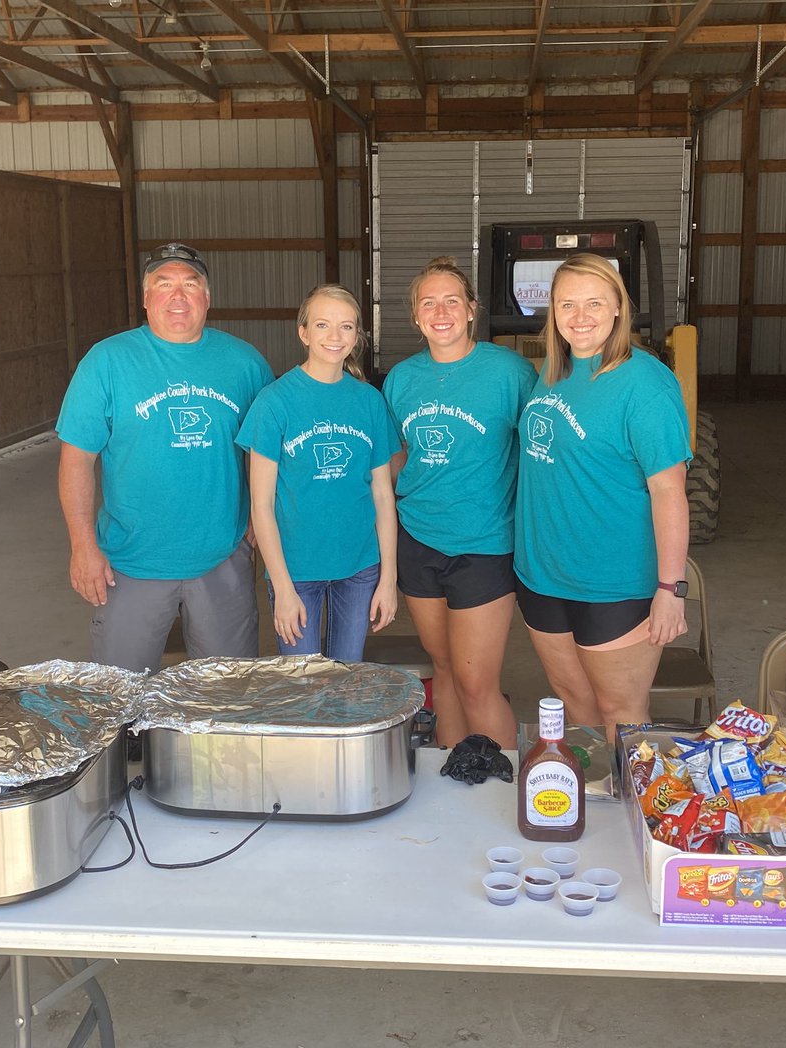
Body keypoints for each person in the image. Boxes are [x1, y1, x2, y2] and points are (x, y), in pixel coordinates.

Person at [57, 242, 274, 674]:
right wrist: (82, 546)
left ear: (207, 297)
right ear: (145, 297)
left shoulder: (244, 363)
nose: (178, 296)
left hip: (221, 557)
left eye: (190, 285)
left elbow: (266, 451)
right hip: (131, 561)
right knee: (120, 692)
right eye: (163, 284)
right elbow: (76, 460)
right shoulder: (107, 362)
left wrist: (258, 514)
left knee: (225, 694)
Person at [513, 252, 692, 740]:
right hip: (543, 575)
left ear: (618, 307)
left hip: (614, 583)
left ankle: (631, 793)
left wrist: (671, 590)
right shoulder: (554, 370)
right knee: (574, 701)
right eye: (567, 304)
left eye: (594, 302)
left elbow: (669, 491)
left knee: (622, 714)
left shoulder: (645, 384)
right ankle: (596, 789)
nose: (580, 316)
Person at [382, 256, 537, 749]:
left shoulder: (509, 373)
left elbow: (541, 451)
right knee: (444, 669)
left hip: (484, 543)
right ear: (415, 316)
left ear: (472, 309)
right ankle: (452, 775)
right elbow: (396, 456)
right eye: (428, 303)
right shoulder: (401, 379)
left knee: (476, 682)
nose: (441, 311)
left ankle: (504, 782)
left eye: (452, 300)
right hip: (418, 539)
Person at [237, 285, 399, 661]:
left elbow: (382, 494)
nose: (335, 336)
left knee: (346, 674)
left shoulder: (369, 401)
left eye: (346, 326)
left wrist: (389, 578)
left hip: (359, 565)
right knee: (303, 682)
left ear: (356, 336)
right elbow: (261, 505)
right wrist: (282, 587)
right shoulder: (274, 402)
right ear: (304, 333)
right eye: (323, 324)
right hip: (296, 568)